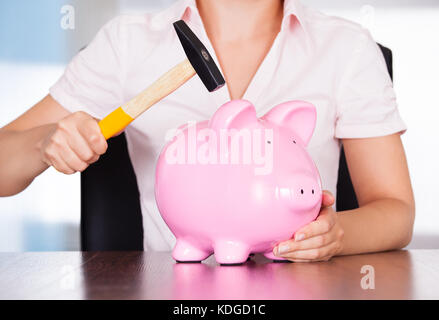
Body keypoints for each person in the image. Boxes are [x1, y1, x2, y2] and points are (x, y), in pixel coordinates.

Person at [0, 0, 414, 262]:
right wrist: (44, 142)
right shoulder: (124, 45)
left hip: (302, 285)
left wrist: (337, 235)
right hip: (170, 289)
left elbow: (395, 211)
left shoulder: (346, 48)